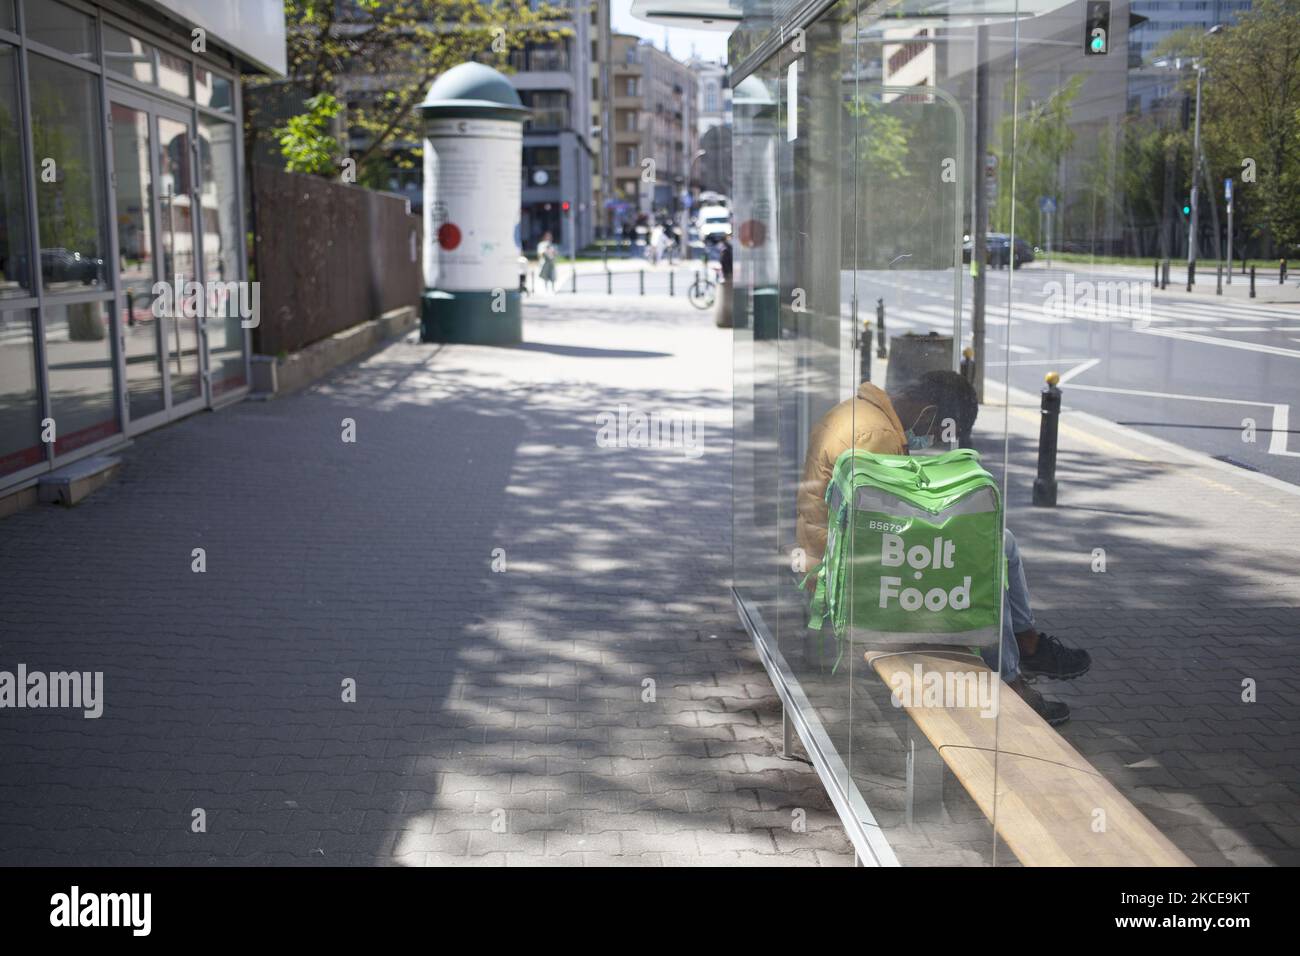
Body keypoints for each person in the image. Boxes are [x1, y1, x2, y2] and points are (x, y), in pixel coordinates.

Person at [795, 370, 1090, 725]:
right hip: (856, 578)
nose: (932, 438)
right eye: (937, 431)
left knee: (1001, 544)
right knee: (980, 564)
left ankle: (1026, 642)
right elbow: (891, 528)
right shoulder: (877, 436)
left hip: (841, 552)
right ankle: (1012, 679)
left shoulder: (860, 412)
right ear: (928, 413)